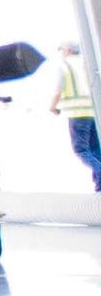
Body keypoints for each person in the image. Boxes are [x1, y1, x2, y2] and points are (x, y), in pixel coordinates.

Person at [54, 41, 101, 193]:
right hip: (92, 112)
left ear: (67, 51)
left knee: (81, 150)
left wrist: (53, 107)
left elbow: (58, 90)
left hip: (76, 113)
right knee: (95, 150)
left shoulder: (64, 66)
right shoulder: (87, 64)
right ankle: (99, 186)